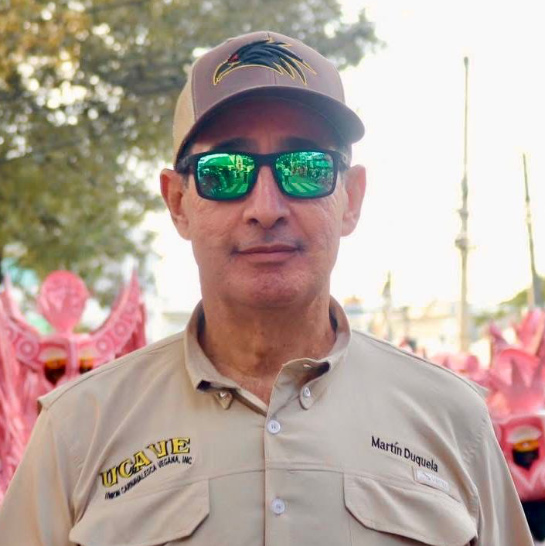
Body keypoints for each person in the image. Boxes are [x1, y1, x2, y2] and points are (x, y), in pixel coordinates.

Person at [0, 30, 533, 546]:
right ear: (178, 202)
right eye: (224, 172)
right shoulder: (78, 430)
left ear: (351, 198)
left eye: (305, 168)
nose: (266, 208)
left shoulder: (452, 420)